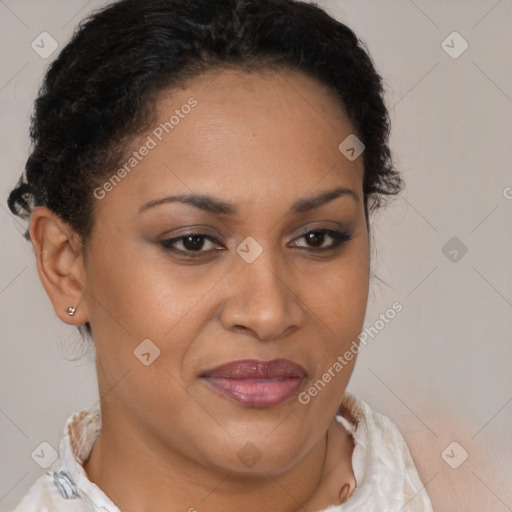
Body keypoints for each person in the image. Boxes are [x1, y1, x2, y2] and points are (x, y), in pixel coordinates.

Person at [7, 0, 435, 510]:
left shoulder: (474, 488)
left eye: (317, 237)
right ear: (65, 267)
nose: (268, 313)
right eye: (194, 242)